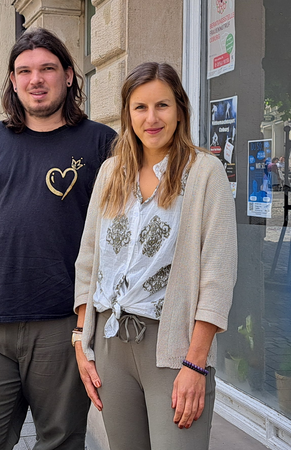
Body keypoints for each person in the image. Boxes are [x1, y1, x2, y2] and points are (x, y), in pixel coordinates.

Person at [0, 28, 116, 449]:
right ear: (13, 81)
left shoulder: (102, 144)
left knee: (61, 440)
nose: (36, 79)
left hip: (63, 324)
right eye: (24, 71)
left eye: (47, 68)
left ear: (69, 75)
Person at [73, 62, 237, 449]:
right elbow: (88, 259)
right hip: (111, 345)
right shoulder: (112, 172)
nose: (151, 118)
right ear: (128, 113)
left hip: (173, 349)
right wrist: (81, 341)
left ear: (180, 108)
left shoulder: (205, 173)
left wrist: (195, 364)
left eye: (162, 105)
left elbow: (217, 274)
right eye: (140, 107)